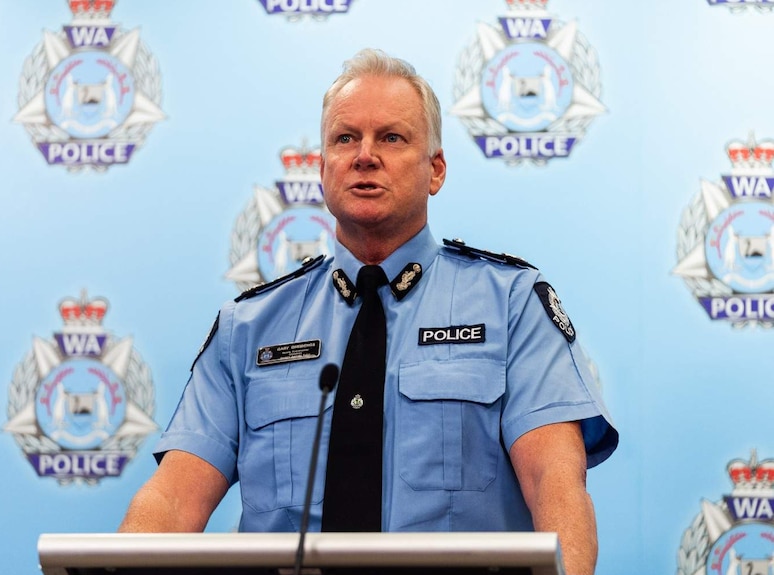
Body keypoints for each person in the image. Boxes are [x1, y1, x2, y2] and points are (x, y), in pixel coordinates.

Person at [119, 48, 618, 575]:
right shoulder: (248, 328)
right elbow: (172, 500)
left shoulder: (512, 304)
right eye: (345, 138)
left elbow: (555, 486)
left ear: (436, 170)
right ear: (323, 168)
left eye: (392, 138)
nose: (365, 155)